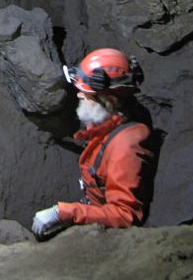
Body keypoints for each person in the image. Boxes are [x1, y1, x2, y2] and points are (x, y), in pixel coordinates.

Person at [32, 48, 157, 239]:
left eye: (87, 93)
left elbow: (125, 215)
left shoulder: (126, 146)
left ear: (109, 99)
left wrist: (65, 212)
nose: (79, 95)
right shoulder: (111, 121)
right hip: (94, 204)